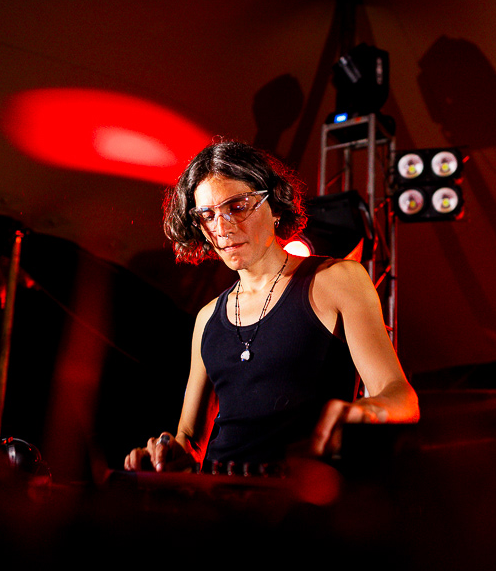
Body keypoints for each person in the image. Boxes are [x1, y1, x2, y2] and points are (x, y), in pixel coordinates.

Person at [124, 139, 418, 474]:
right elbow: (189, 441)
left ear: (275, 206)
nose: (222, 228)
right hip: (219, 499)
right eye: (207, 215)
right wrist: (164, 454)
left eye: (237, 207)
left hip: (305, 494)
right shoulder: (207, 318)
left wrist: (369, 412)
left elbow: (400, 396)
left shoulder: (336, 281)